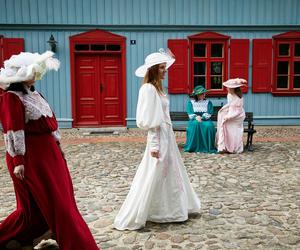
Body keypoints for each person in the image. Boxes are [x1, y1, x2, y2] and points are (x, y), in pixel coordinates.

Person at [0, 51, 99, 250]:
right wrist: (18, 160)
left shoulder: (36, 94)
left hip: (50, 154)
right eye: (33, 71)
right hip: (30, 157)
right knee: (49, 203)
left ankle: (31, 235)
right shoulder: (11, 97)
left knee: (63, 198)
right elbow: (13, 130)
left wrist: (59, 147)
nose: (36, 75)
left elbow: (51, 125)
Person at [114, 49, 201, 231]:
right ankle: (147, 210)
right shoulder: (148, 89)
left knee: (170, 171)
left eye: (165, 67)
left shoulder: (158, 88)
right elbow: (149, 120)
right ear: (154, 69)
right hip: (159, 137)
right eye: (162, 68)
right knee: (154, 170)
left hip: (166, 135)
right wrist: (154, 145)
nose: (165, 70)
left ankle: (170, 209)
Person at [216, 78, 246, 154]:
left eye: (228, 87)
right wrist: (224, 110)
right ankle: (224, 146)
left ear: (233, 88)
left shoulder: (239, 98)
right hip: (231, 112)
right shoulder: (229, 95)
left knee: (229, 125)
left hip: (237, 116)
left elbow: (237, 111)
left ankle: (234, 147)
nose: (227, 89)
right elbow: (230, 105)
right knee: (223, 121)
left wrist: (229, 117)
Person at [184, 85, 217, 153]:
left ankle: (208, 147)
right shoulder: (191, 103)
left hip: (205, 119)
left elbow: (210, 112)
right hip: (194, 119)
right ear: (197, 95)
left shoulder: (208, 102)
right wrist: (196, 117)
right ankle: (194, 146)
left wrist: (202, 117)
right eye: (202, 94)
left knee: (209, 126)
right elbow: (190, 113)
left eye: (204, 93)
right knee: (195, 124)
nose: (204, 95)